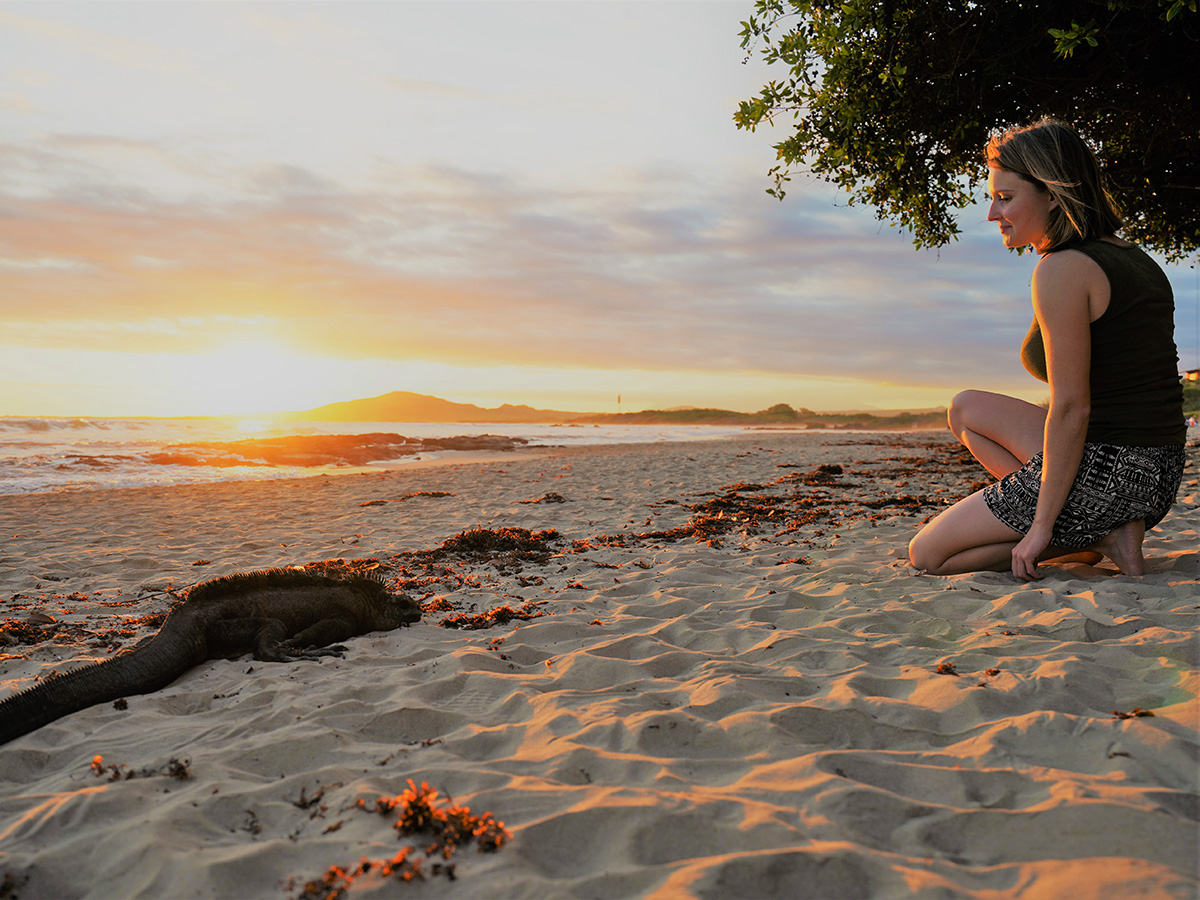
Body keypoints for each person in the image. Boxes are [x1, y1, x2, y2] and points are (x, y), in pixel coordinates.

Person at [908, 119, 1186, 580]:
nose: (993, 214)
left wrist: (1039, 529)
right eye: (992, 198)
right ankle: (1090, 531)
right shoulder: (1134, 258)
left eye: (1006, 197)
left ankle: (1095, 535)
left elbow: (1073, 407)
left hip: (1110, 473)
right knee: (965, 409)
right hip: (1158, 471)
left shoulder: (1062, 269)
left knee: (929, 555)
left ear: (1053, 194)